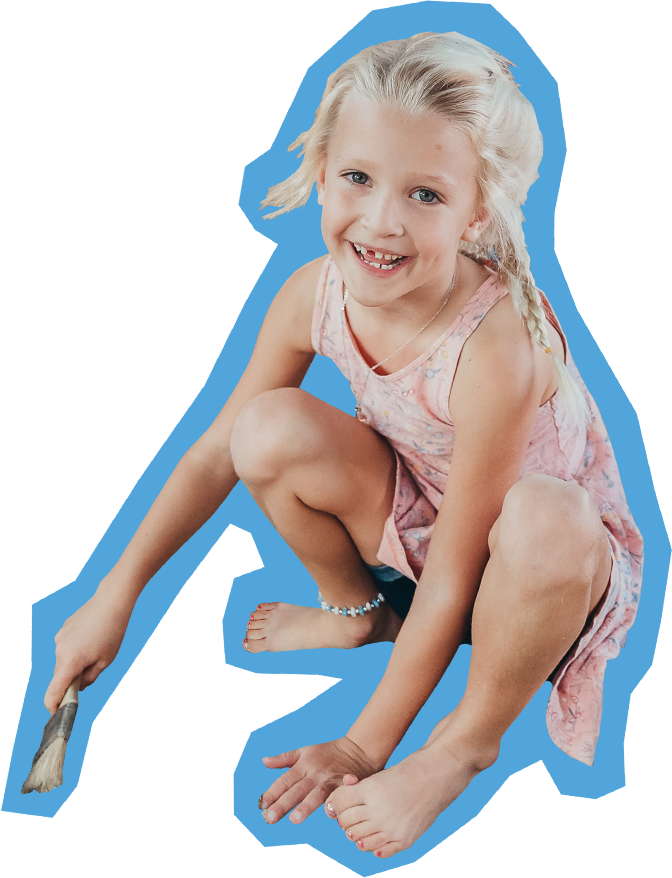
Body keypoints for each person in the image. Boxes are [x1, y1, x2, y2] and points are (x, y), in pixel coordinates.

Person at [44, 31, 643, 858]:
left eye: (426, 195)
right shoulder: (313, 295)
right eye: (358, 177)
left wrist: (367, 749)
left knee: (546, 515)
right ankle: (361, 614)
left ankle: (465, 745)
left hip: (541, 562)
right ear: (322, 168)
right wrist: (116, 596)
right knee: (265, 426)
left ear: (478, 210)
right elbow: (216, 454)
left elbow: (465, 566)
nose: (381, 222)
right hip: (428, 524)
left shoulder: (495, 347)